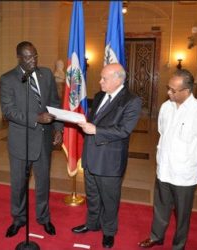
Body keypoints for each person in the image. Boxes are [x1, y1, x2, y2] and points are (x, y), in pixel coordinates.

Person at [138, 69, 197, 250]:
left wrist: (192, 160)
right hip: (164, 169)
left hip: (185, 175)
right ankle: (156, 236)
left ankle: (178, 245)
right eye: (169, 88)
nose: (169, 93)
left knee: (182, 214)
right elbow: (161, 132)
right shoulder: (166, 107)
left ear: (186, 91)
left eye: (173, 90)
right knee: (160, 207)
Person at [72, 63, 142, 248]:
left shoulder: (131, 100)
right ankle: (92, 223)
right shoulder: (99, 95)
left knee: (110, 199)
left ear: (118, 79)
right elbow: (97, 120)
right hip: (91, 156)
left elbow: (124, 130)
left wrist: (96, 129)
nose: (100, 81)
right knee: (92, 195)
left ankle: (109, 232)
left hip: (110, 160)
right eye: (101, 77)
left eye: (104, 78)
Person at [0, 41, 63, 238]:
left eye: (35, 55)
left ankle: (43, 218)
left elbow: (54, 101)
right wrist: (36, 118)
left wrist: (58, 128)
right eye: (28, 57)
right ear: (19, 57)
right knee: (19, 183)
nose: (33, 60)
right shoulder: (8, 79)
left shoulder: (46, 74)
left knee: (43, 182)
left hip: (43, 139)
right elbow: (9, 111)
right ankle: (18, 218)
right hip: (20, 141)